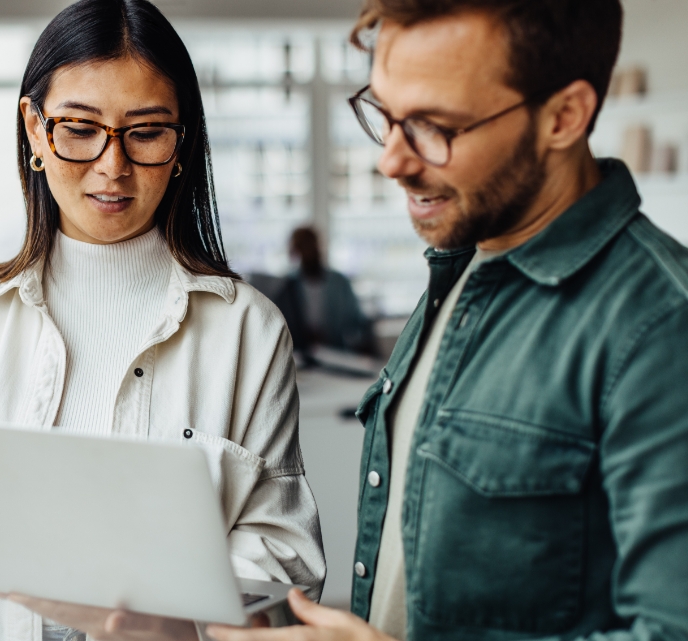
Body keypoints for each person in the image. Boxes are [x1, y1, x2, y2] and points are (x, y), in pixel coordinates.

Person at [0, 2, 325, 640]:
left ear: (184, 143)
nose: (112, 166)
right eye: (79, 128)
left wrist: (161, 612)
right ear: (35, 131)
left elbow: (288, 559)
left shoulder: (248, 332)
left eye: (146, 131)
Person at [208, 2, 688, 641]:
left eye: (434, 126)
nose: (392, 161)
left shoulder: (660, 325)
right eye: (387, 115)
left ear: (564, 116)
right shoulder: (458, 271)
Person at [286, 227, 372, 355]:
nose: (308, 252)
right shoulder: (289, 285)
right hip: (300, 356)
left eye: (310, 246)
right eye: (303, 248)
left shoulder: (339, 283)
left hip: (337, 353)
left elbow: (357, 323)